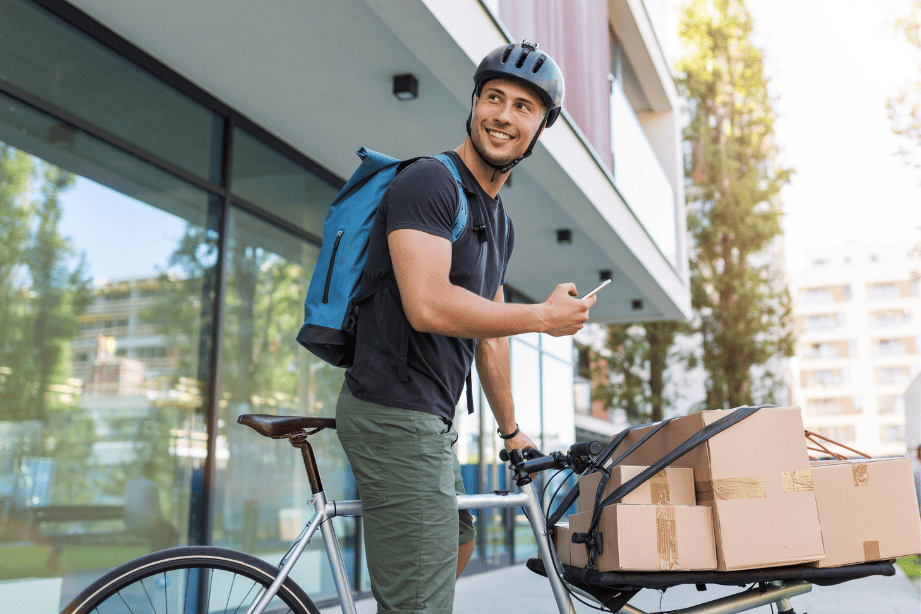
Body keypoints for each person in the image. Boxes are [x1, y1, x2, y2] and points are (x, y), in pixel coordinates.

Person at [335, 41, 595, 614]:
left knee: (456, 539)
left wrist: (511, 431)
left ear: (539, 129)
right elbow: (427, 304)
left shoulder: (497, 220)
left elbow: (489, 333)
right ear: (474, 103)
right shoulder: (430, 182)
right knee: (422, 602)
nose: (504, 115)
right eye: (494, 98)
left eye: (524, 107)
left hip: (429, 419)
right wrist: (544, 318)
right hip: (392, 412)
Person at [124, 461, 178, 552]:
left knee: (162, 532)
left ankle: (155, 558)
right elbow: (156, 512)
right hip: (145, 525)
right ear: (151, 471)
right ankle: (159, 559)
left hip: (130, 524)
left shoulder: (131, 484)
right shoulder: (151, 486)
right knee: (170, 531)